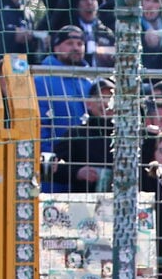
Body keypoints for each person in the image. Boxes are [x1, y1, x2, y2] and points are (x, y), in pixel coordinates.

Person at [34, 26, 92, 160]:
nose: (76, 48)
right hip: (54, 163)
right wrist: (48, 155)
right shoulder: (41, 80)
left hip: (86, 162)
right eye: (69, 43)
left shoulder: (90, 81)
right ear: (56, 47)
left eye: (80, 44)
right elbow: (39, 123)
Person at [51, 78, 116, 193]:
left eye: (111, 98)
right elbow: (51, 168)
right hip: (83, 205)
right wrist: (77, 173)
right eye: (101, 98)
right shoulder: (76, 134)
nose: (107, 104)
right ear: (89, 104)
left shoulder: (128, 135)